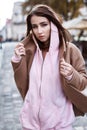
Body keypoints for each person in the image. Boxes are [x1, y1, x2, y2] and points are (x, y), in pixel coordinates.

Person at [11, 4, 87, 130]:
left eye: (44, 24)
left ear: (53, 23)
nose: (39, 31)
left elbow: (83, 83)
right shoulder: (29, 51)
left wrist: (71, 75)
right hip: (31, 124)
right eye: (35, 26)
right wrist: (18, 61)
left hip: (60, 124)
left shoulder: (71, 50)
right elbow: (22, 84)